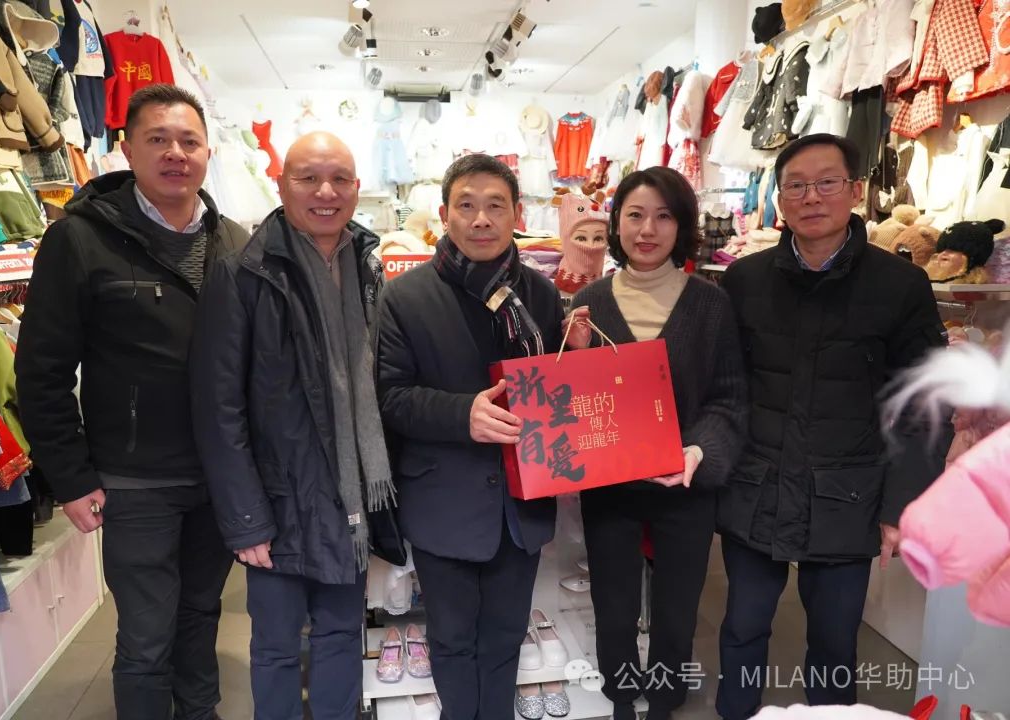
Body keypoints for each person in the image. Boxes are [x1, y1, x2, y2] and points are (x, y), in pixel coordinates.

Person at [15, 84, 248, 720]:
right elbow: (41, 370)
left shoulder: (233, 241)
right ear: (127, 149)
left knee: (201, 614)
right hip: (134, 479)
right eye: (158, 139)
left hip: (218, 478)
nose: (176, 153)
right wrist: (70, 476)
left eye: (189, 141)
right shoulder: (81, 240)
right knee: (146, 635)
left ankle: (198, 712)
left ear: (207, 152)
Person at [714, 133, 952, 720]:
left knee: (834, 643)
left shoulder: (899, 285)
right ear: (779, 198)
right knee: (742, 628)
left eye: (826, 182)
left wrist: (900, 506)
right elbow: (725, 389)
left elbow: (926, 405)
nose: (811, 197)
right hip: (757, 488)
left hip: (846, 496)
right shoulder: (744, 280)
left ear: (855, 190)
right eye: (795, 185)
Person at [189, 131, 394, 720]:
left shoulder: (367, 266)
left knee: (340, 634)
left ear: (356, 188)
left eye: (340, 179)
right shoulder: (244, 274)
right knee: (276, 646)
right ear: (282, 186)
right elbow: (219, 407)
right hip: (279, 499)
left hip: (348, 500)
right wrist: (246, 519)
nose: (326, 192)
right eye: (309, 178)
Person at [376, 153, 564, 720]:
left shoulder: (540, 295)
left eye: (495, 205)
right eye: (466, 205)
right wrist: (463, 415)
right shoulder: (405, 297)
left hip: (522, 502)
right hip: (445, 500)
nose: (481, 219)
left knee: (505, 635)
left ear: (516, 214)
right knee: (453, 639)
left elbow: (553, 392)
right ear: (444, 215)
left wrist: (576, 362)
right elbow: (390, 396)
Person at [564, 167, 748, 720]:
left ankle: (665, 700)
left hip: (686, 486)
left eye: (664, 216)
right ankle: (621, 697)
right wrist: (575, 354)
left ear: (683, 225)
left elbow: (728, 398)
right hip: (611, 489)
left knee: (677, 609)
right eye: (636, 215)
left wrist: (698, 451)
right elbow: (575, 403)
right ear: (616, 223)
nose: (648, 230)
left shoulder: (710, 304)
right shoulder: (589, 302)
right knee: (613, 604)